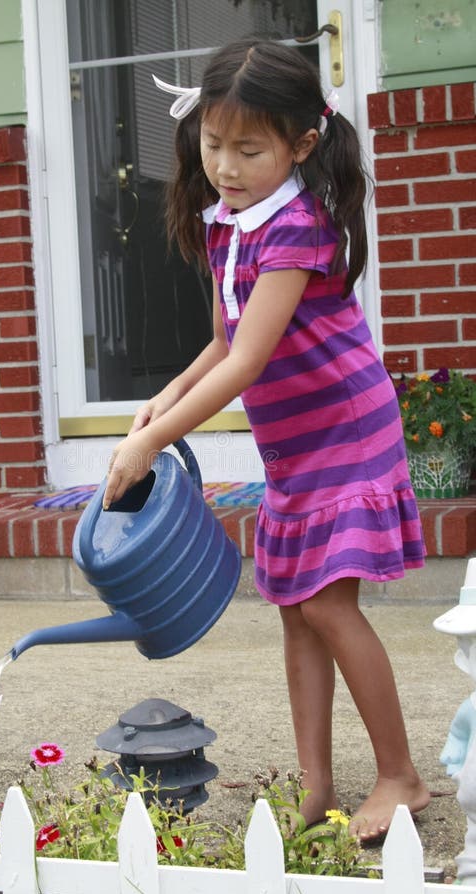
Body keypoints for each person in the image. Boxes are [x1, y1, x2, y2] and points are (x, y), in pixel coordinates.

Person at [102, 38, 430, 842]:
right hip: (294, 445)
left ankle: (401, 776)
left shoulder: (295, 228)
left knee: (326, 603)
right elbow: (222, 342)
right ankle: (316, 783)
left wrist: (151, 446)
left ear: (301, 145)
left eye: (249, 149)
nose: (226, 165)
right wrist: (162, 400)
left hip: (345, 432)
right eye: (213, 144)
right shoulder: (231, 224)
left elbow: (250, 361)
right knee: (294, 608)